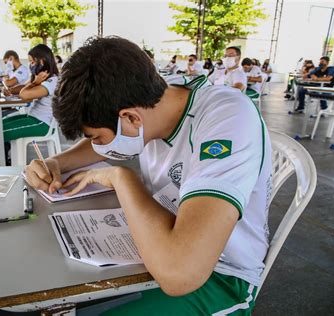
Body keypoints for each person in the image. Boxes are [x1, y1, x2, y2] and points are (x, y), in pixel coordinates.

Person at [25, 37, 271, 315]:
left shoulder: (227, 118)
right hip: (157, 248)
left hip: (221, 276)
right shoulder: (156, 101)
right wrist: (55, 162)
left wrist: (122, 179)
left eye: (96, 137)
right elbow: (102, 143)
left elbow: (181, 274)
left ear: (131, 118)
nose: (97, 146)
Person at [0, 44, 59, 166]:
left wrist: (35, 82)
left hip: (42, 124)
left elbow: (24, 94)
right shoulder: (43, 78)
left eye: (32, 61)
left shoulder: (51, 81)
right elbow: (24, 87)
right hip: (32, 117)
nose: (30, 65)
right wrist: (12, 90)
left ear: (42, 61)